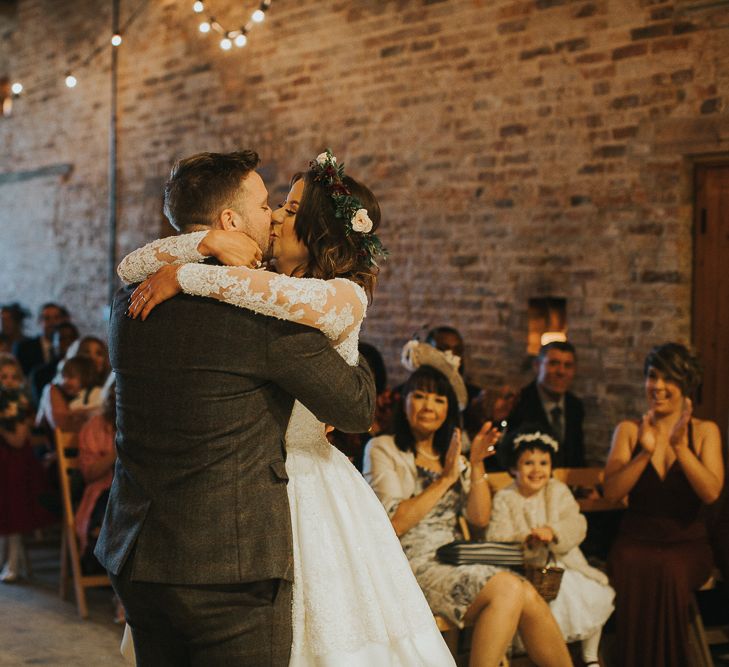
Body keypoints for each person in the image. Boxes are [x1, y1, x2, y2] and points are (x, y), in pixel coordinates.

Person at [101, 149, 454, 666]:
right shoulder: (268, 318)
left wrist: (191, 260)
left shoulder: (131, 298)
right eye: (268, 205)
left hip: (138, 549)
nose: (272, 218)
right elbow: (357, 407)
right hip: (230, 558)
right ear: (229, 221)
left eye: (285, 209)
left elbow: (134, 262)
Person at [363, 345, 572, 667]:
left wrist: (474, 466)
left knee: (524, 591)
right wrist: (445, 479)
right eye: (420, 396)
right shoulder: (384, 448)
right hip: (407, 565)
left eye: (439, 399)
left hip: (452, 557)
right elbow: (394, 524)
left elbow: (479, 520)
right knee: (508, 589)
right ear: (405, 401)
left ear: (448, 410)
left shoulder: (454, 456)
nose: (429, 406)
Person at [604, 342, 724, 667]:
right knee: (633, 564)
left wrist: (681, 449)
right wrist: (644, 453)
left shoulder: (705, 432)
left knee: (669, 570)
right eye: (652, 376)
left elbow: (712, 492)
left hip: (686, 543)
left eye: (667, 378)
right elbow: (612, 492)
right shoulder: (628, 430)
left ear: (685, 385)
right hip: (636, 539)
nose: (657, 386)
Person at [487, 427, 614, 666]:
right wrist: (525, 538)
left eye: (543, 463)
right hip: (526, 569)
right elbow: (497, 535)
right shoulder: (506, 498)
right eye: (528, 463)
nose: (537, 470)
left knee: (588, 594)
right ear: (514, 468)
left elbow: (576, 524)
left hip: (564, 563)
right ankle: (549, 656)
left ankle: (589, 657)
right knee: (544, 602)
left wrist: (553, 532)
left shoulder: (558, 491)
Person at [0, 354, 54, 582]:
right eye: (3, 377)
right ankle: (9, 560)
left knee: (13, 514)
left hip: (15, 464)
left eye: (14, 377)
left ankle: (13, 562)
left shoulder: (19, 405)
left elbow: (18, 440)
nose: (8, 381)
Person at [503, 341, 585, 468]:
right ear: (537, 366)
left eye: (568, 365)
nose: (561, 371)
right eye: (553, 363)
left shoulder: (575, 406)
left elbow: (577, 457)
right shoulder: (518, 403)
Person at [28, 321, 79, 408]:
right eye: (61, 339)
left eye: (71, 338)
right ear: (53, 343)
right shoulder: (40, 374)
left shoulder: (85, 371)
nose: (67, 342)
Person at [13, 303, 70, 376]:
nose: (52, 322)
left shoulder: (69, 347)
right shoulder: (24, 348)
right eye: (47, 318)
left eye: (56, 318)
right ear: (39, 321)